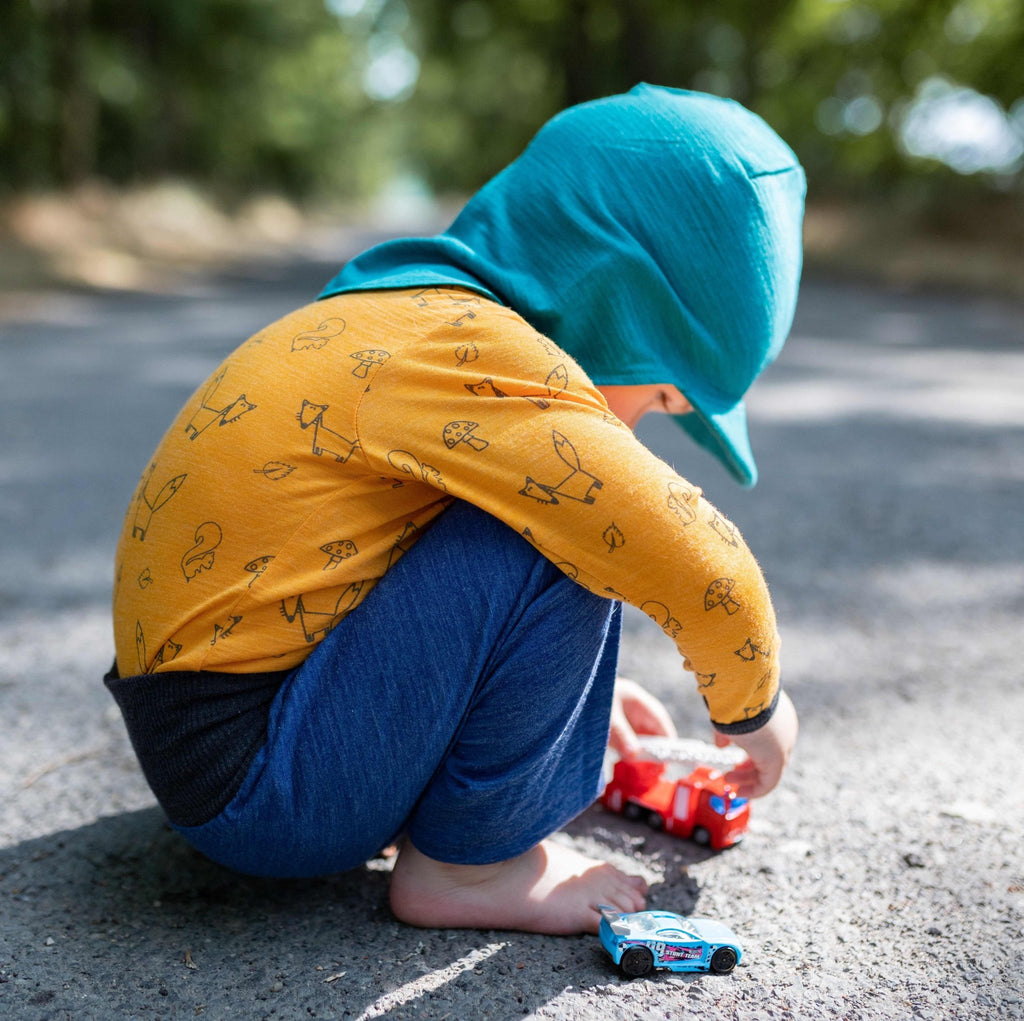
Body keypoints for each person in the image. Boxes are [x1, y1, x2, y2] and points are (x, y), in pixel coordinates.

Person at [105, 83, 804, 936]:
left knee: (541, 496)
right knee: (577, 513)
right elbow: (694, 553)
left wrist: (561, 696)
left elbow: (379, 578)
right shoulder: (474, 354)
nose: (641, 423)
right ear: (615, 300)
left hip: (219, 745)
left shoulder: (398, 317)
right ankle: (470, 873)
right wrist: (757, 706)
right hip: (268, 784)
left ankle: (450, 833)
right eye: (659, 396)